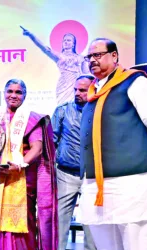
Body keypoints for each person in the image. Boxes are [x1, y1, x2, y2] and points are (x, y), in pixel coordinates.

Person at [79, 38, 147, 250]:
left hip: (132, 184)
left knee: (136, 243)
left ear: (115, 56)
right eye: (89, 57)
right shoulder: (93, 93)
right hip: (96, 186)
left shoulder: (135, 82)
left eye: (97, 55)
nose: (92, 60)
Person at [0, 79, 58, 250]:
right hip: (0, 180)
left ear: (25, 95)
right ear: (4, 94)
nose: (13, 95)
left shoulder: (31, 119)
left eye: (18, 92)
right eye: (10, 91)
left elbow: (37, 148)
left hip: (23, 180)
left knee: (22, 226)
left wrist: (20, 164)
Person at [51, 75, 96, 250]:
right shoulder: (62, 110)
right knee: (60, 221)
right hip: (65, 174)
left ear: (93, 89)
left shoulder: (100, 111)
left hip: (91, 176)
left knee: (92, 222)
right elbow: (52, 140)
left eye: (82, 90)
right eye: (76, 89)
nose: (77, 93)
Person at [21, 26, 89, 105]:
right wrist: (31, 36)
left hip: (76, 84)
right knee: (63, 108)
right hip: (63, 85)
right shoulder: (59, 56)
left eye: (68, 40)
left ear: (73, 44)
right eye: (64, 41)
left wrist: (86, 61)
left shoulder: (80, 57)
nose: (66, 42)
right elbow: (44, 48)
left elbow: (85, 72)